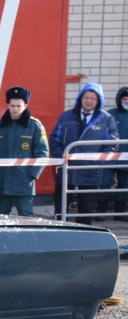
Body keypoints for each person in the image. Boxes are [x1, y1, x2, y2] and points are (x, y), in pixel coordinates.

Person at [50, 82, 118, 224]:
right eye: (86, 97)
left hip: (90, 173)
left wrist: (96, 163)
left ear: (98, 101)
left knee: (86, 212)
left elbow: (112, 145)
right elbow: (55, 139)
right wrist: (61, 157)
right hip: (66, 171)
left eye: (93, 98)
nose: (89, 101)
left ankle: (83, 239)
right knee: (60, 211)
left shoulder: (106, 119)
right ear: (80, 98)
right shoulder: (66, 116)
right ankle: (59, 237)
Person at [0, 87, 49, 216]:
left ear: (25, 105)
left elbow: (42, 153)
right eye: (12, 105)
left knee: (26, 217)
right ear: (8, 105)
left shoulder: (34, 126)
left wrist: (32, 175)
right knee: (0, 217)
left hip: (24, 181)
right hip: (1, 182)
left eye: (19, 106)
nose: (15, 109)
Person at [96, 87, 128, 221]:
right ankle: (99, 212)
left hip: (126, 160)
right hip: (109, 158)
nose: (127, 101)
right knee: (104, 183)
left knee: (124, 186)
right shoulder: (109, 115)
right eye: (124, 99)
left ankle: (120, 214)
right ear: (119, 100)